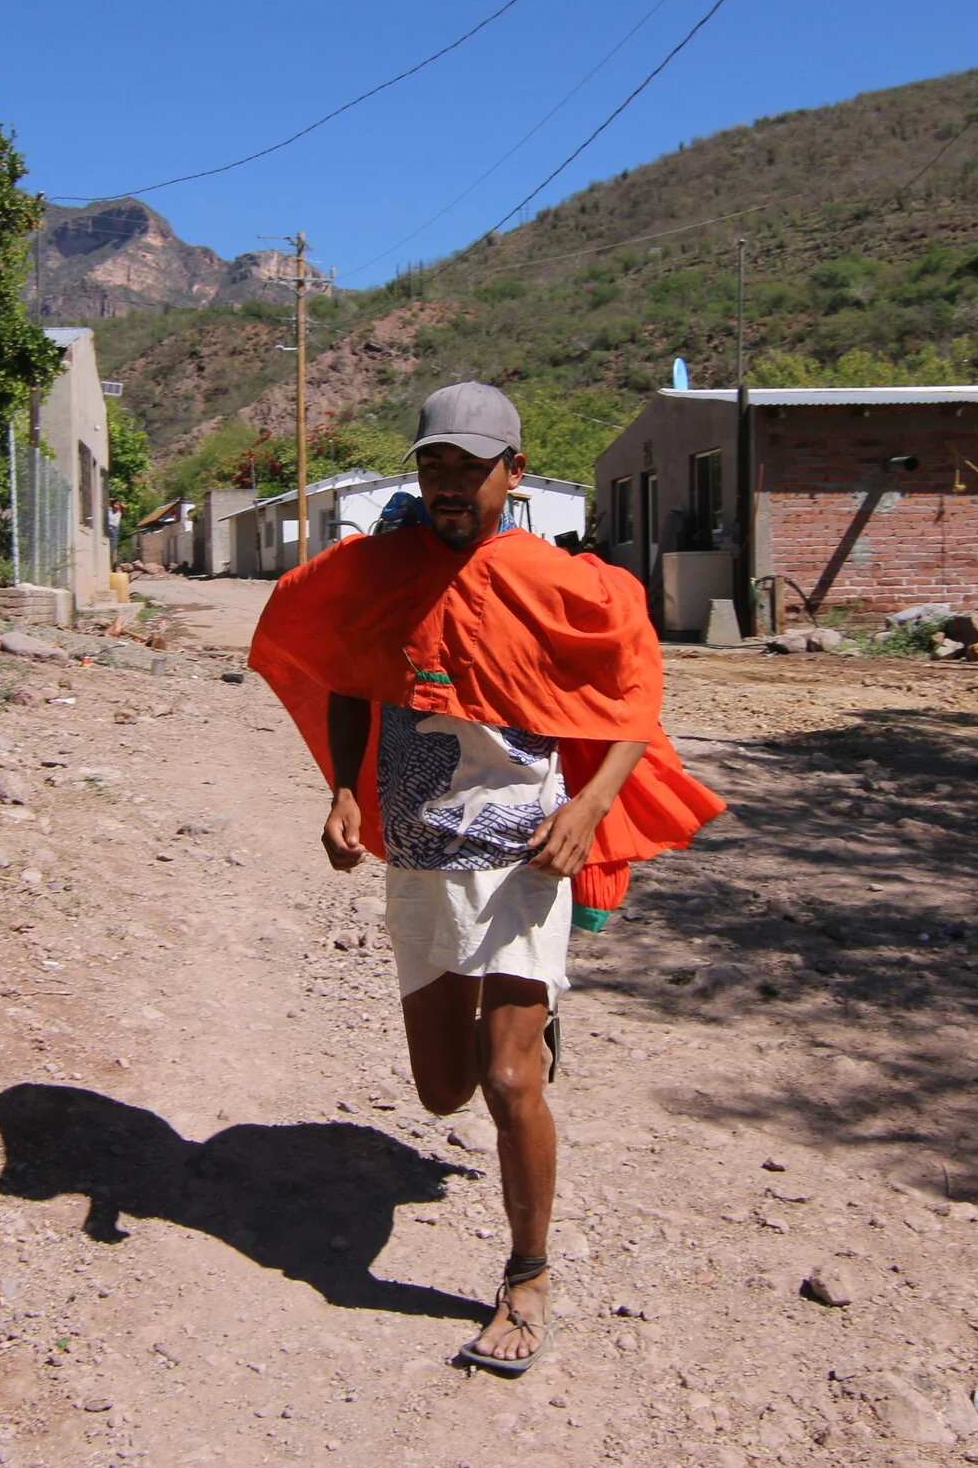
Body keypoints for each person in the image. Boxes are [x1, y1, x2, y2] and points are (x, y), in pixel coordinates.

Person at [249, 382, 723, 1374]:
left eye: (470, 468)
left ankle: (527, 1273)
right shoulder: (381, 569)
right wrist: (343, 787)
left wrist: (587, 810)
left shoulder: (560, 581)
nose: (449, 485)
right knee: (440, 1090)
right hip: (420, 860)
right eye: (433, 465)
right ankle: (528, 1024)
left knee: (509, 1082)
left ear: (513, 472)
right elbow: (344, 670)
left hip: (520, 862)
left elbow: (632, 691)